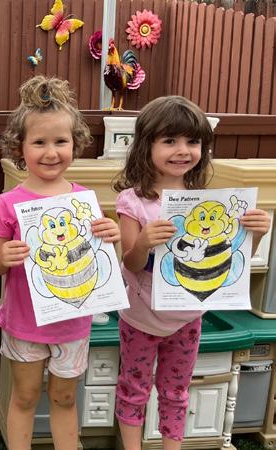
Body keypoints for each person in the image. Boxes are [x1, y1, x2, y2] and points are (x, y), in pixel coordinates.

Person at [112, 95, 272, 450]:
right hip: (141, 318)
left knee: (176, 391)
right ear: (146, 145)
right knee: (134, 388)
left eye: (193, 141)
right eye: (170, 140)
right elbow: (130, 262)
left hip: (187, 318)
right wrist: (144, 243)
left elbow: (230, 263)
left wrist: (256, 235)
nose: (182, 150)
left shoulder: (207, 203)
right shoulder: (133, 201)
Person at [0, 75, 120, 450]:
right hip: (25, 323)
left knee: (64, 398)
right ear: (20, 146)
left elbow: (101, 258)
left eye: (60, 141)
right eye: (39, 142)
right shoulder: (8, 202)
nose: (50, 152)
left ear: (75, 144)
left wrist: (112, 235)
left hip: (73, 323)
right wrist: (3, 257)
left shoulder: (85, 201)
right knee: (25, 397)